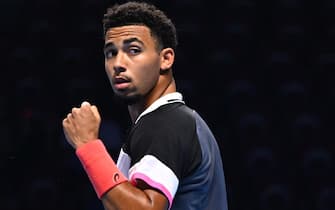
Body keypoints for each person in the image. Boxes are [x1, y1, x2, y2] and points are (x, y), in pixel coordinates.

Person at [62, 1, 229, 210]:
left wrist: (88, 146)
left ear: (166, 59)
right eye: (111, 53)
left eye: (133, 50)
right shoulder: (179, 121)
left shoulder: (166, 122)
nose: (118, 64)